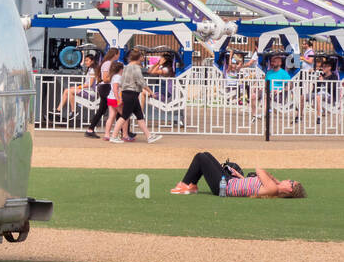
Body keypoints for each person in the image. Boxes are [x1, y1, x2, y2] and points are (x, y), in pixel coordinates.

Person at [171, 152, 305, 198]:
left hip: (225, 187)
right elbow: (250, 186)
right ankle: (192, 185)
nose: (288, 180)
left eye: (291, 182)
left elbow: (259, 170)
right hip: (231, 181)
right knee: (206, 154)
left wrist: (276, 180)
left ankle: (184, 185)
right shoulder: (271, 187)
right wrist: (239, 176)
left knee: (201, 157)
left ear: (290, 189)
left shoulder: (273, 188)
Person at [110, 49, 161, 143]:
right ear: (139, 57)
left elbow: (121, 83)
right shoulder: (136, 68)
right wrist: (151, 92)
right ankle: (113, 136)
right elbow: (141, 82)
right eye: (142, 56)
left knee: (139, 116)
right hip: (132, 94)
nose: (143, 58)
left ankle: (149, 136)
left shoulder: (126, 67)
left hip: (128, 93)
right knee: (124, 116)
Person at [85, 47, 117, 138]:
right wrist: (115, 77)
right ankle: (123, 132)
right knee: (117, 108)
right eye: (118, 54)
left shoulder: (106, 63)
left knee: (102, 110)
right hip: (106, 87)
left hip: (104, 87)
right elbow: (105, 78)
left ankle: (90, 129)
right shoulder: (108, 63)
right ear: (115, 55)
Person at [103, 60, 125, 141]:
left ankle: (107, 134)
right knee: (124, 116)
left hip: (110, 98)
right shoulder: (118, 77)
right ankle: (123, 134)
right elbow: (116, 89)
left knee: (111, 116)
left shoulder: (113, 76)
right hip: (115, 99)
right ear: (120, 69)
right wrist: (119, 99)